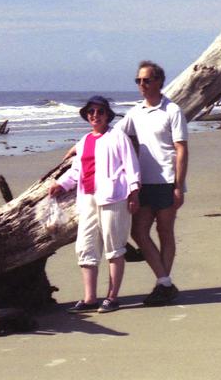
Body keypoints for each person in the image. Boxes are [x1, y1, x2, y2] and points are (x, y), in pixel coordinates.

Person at [49, 96, 140, 314]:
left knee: (114, 246)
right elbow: (77, 170)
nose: (95, 115)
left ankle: (112, 297)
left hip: (114, 197)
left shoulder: (117, 136)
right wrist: (61, 184)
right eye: (91, 112)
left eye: (100, 111)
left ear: (107, 115)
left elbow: (131, 165)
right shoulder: (85, 141)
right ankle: (90, 298)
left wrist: (134, 193)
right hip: (87, 199)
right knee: (85, 246)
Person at [117, 60, 188, 307]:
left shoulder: (172, 110)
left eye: (146, 80)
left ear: (159, 81)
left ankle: (162, 286)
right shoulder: (135, 112)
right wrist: (80, 146)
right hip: (143, 182)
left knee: (165, 231)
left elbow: (181, 149)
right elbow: (114, 136)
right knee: (138, 232)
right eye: (138, 80)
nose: (142, 84)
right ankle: (165, 282)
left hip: (167, 181)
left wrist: (179, 185)